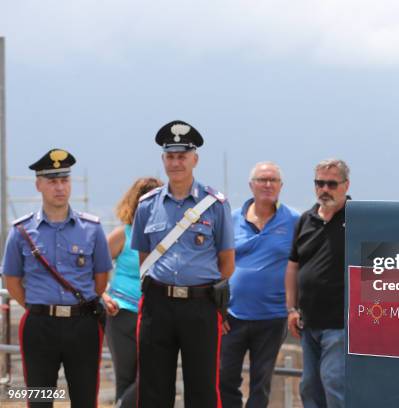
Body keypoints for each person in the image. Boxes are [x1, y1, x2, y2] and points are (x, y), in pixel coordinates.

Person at [131, 120, 235, 407]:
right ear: (163, 160)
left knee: (202, 388)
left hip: (200, 305)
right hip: (157, 304)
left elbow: (227, 261)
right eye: (170, 156)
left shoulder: (215, 204)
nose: (176, 163)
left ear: (194, 159)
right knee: (153, 387)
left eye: (182, 156)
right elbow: (144, 257)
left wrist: (203, 289)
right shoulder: (147, 205)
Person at [1, 149, 112, 408]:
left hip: (82, 325)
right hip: (40, 327)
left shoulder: (92, 229)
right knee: (39, 400)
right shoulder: (21, 232)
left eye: (64, 180)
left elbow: (100, 280)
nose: (59, 188)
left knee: (85, 399)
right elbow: (12, 282)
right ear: (38, 185)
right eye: (52, 181)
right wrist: (38, 306)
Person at [220, 162, 299, 408]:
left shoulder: (295, 221)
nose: (267, 185)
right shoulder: (230, 220)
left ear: (281, 186)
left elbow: (303, 264)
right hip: (231, 315)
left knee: (261, 385)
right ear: (251, 185)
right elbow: (216, 264)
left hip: (273, 317)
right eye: (262, 179)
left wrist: (295, 308)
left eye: (273, 180)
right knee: (224, 379)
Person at [285, 159, 350, 408]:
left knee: (334, 383)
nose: (325, 189)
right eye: (319, 183)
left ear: (346, 185)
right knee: (309, 387)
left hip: (340, 323)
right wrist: (291, 309)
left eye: (331, 184)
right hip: (308, 322)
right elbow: (293, 265)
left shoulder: (357, 217)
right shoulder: (305, 220)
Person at [101, 177, 163, 408]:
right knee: (126, 379)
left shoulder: (167, 237)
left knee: (154, 377)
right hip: (121, 314)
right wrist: (103, 295)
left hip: (155, 315)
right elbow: (92, 269)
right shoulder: (123, 234)